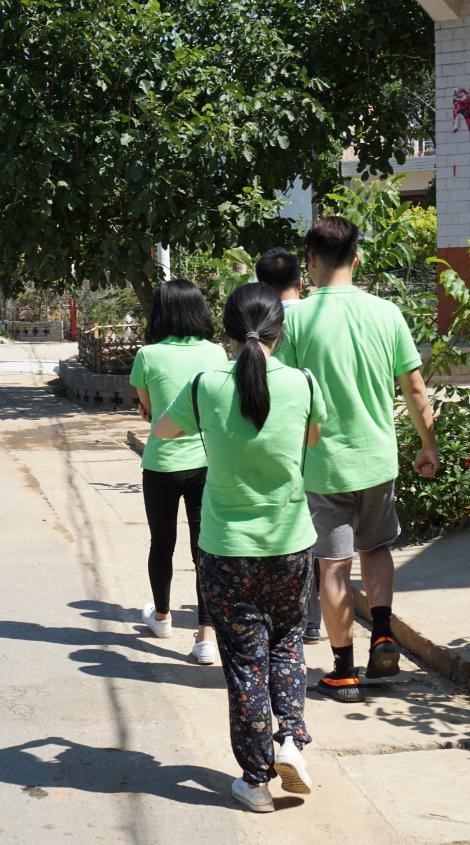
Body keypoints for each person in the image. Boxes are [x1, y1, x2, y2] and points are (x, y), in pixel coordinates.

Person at [154, 283, 327, 813]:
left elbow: (163, 431)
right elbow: (312, 440)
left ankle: (255, 782)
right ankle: (290, 739)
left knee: (246, 663)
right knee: (287, 644)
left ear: (226, 330)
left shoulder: (206, 385)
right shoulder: (302, 383)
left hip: (226, 549)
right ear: (280, 329)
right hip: (291, 544)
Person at [279, 216, 438, 705]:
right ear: (358, 257)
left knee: (331, 565)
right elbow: (415, 388)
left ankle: (344, 670)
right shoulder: (387, 313)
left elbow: (281, 391)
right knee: (377, 548)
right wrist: (428, 446)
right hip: (377, 459)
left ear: (310, 262)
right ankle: (383, 634)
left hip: (321, 464)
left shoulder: (295, 320)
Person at [129, 279, 228, 664]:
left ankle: (162, 617)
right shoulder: (215, 352)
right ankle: (205, 637)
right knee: (205, 547)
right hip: (207, 461)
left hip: (162, 464)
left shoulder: (148, 355)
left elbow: (149, 410)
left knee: (162, 543)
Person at [255, 248, 322, 645]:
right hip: (323, 434)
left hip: (284, 442)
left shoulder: (267, 326)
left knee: (291, 531)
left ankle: (293, 618)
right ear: (301, 279)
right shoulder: (319, 315)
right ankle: (311, 620)